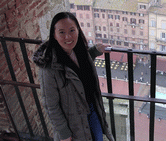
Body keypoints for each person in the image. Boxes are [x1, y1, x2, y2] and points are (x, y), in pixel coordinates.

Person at [33, 12, 114, 141]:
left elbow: (78, 71)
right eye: (61, 32)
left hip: (92, 111)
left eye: (72, 30)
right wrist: (64, 133)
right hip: (73, 123)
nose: (68, 36)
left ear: (78, 30)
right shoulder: (49, 67)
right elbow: (51, 105)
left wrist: (94, 51)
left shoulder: (80, 51)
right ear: (54, 35)